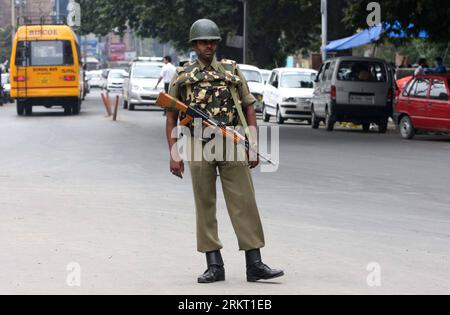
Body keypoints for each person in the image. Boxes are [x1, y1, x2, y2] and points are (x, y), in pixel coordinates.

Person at [165, 19, 284, 284]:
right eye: (204, 41)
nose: (209, 45)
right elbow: (171, 115)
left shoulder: (231, 70)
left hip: (231, 140)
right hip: (198, 143)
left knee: (244, 201)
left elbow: (249, 106)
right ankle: (214, 265)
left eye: (213, 41)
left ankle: (255, 263)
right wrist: (174, 153)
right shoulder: (182, 74)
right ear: (194, 45)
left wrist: (252, 145)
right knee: (204, 203)